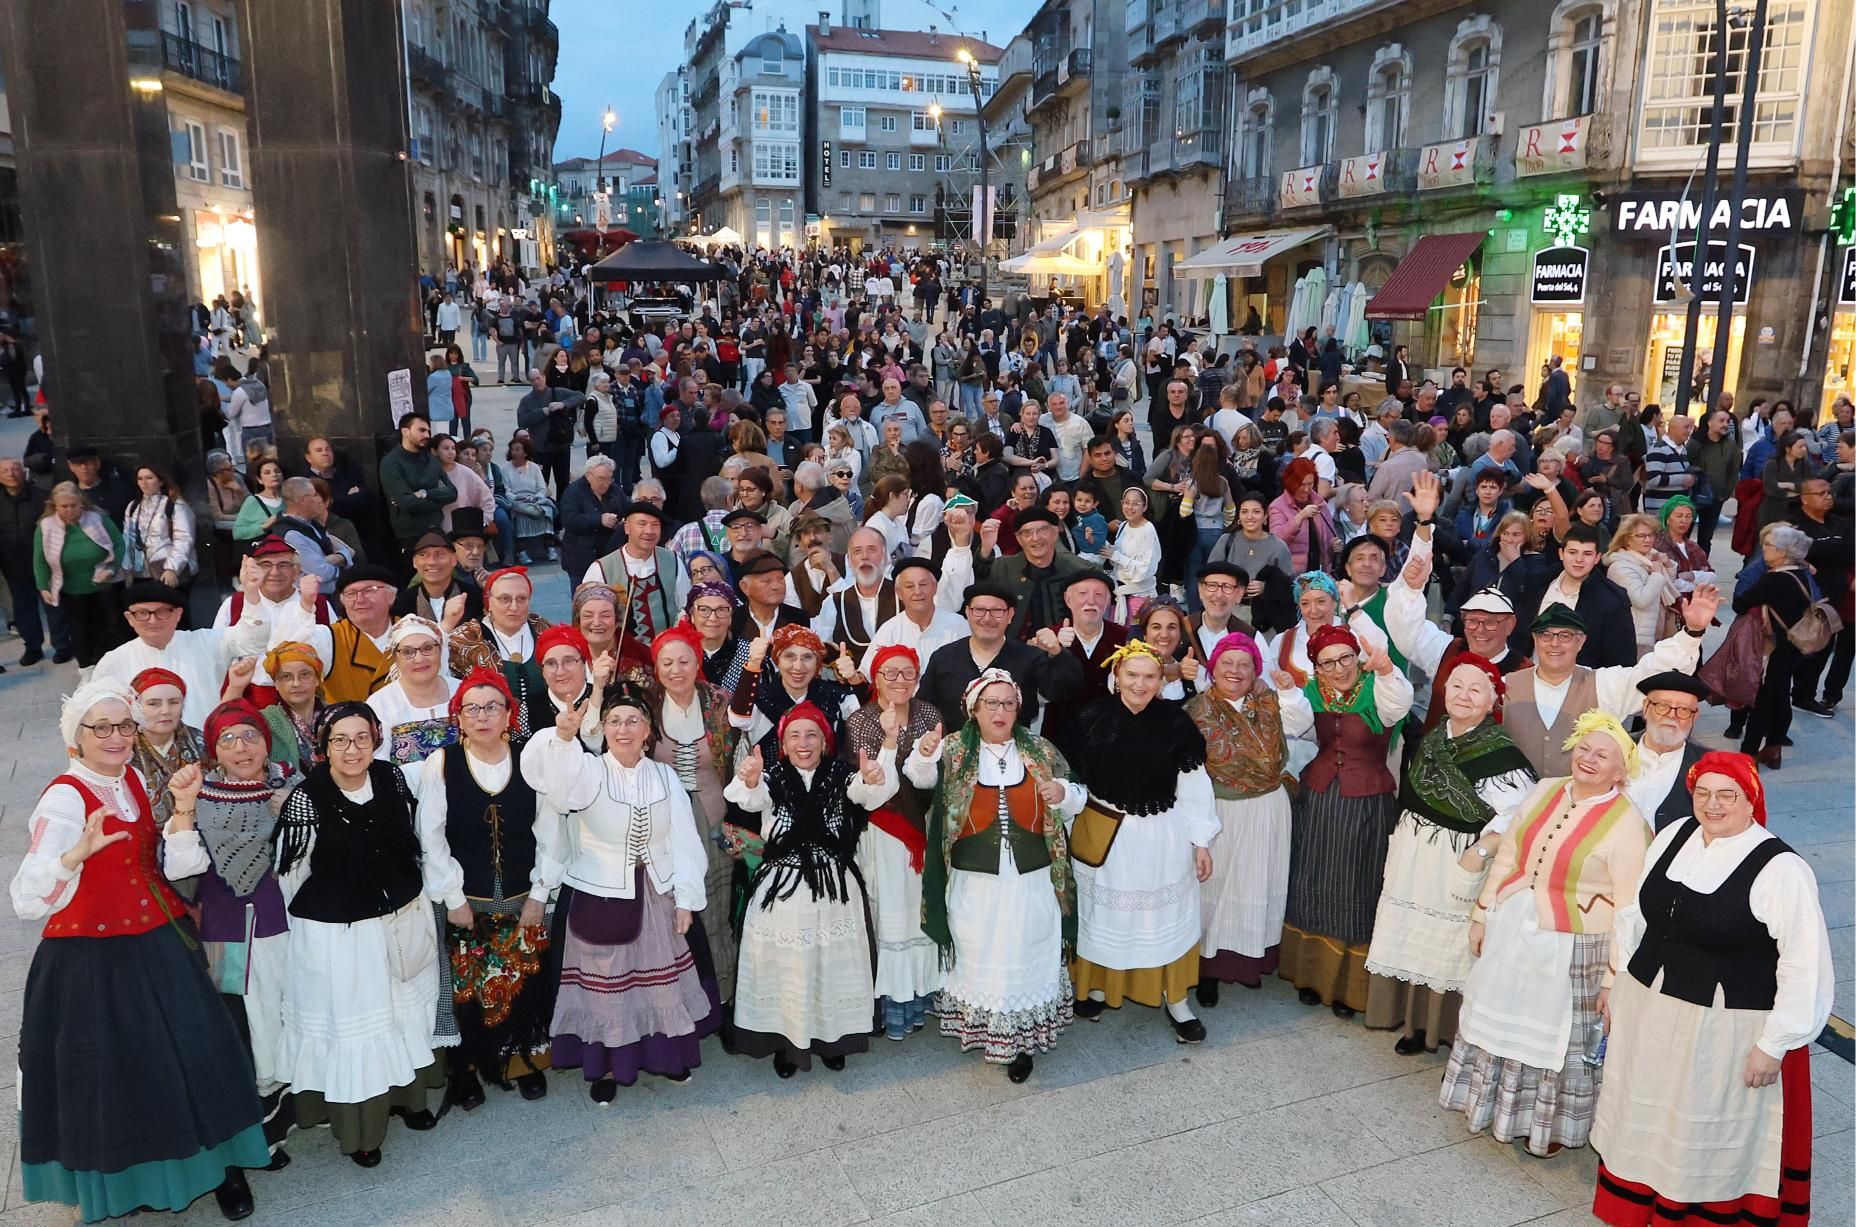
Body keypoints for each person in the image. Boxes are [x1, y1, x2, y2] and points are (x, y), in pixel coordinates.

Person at [10, 680, 269, 1222]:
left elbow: (177, 868)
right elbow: (26, 898)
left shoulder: (128, 778)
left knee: (201, 1055)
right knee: (115, 1077)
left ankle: (223, 1169)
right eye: (100, 727)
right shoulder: (64, 797)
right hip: (90, 958)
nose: (116, 736)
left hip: (160, 940)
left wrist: (181, 810)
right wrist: (72, 856)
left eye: (124, 725)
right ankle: (127, 1185)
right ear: (75, 739)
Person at [1591, 751, 1833, 1227]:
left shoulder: (1781, 869)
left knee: (1700, 1125)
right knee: (1648, 1110)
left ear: (1751, 800)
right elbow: (1637, 916)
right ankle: (1638, 1210)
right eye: (1702, 793)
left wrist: (1774, 1044)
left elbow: (1806, 965)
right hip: (1650, 1006)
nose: (1712, 805)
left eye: (1728, 795)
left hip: (1724, 1025)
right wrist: (1616, 981)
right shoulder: (1672, 836)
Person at [1440, 712, 1652, 1159]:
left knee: (1557, 1039)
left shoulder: (1629, 825)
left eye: (1603, 755)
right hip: (1513, 927)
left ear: (1621, 772)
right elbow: (1510, 854)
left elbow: (1630, 910)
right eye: (1584, 749)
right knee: (1498, 1015)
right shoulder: (1544, 789)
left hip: (1572, 943)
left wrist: (1613, 980)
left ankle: (1547, 1126)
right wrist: (1481, 915)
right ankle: (1491, 1105)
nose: (1589, 760)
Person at [272, 701, 443, 1166]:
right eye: (340, 740)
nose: (352, 749)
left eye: (362, 738)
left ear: (376, 739)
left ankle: (408, 1102)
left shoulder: (391, 778)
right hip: (341, 937)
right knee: (359, 1030)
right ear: (323, 747)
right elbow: (292, 875)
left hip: (399, 921)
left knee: (403, 1018)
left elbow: (412, 839)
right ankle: (361, 1132)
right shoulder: (306, 799)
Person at [905, 669, 1083, 1082]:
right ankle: (985, 1032)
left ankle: (1020, 1043)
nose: (999, 711)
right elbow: (921, 778)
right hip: (975, 879)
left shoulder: (1039, 750)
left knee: (1025, 949)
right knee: (981, 950)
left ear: (1018, 709)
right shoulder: (951, 749)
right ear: (974, 710)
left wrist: (1064, 795)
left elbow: (1075, 792)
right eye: (991, 703)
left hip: (1031, 879)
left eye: (1007, 703)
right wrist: (924, 751)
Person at [1364, 655, 1536, 1055]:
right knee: (1413, 933)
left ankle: (1443, 1031)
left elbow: (1520, 815)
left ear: (1493, 699)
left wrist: (1481, 850)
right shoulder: (1435, 735)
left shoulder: (1499, 751)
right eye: (1457, 685)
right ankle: (1412, 1025)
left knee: (1451, 942)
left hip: (1458, 857)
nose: (1463, 695)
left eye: (1476, 689)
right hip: (1414, 853)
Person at [721, 702, 891, 1076]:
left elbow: (865, 794)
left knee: (832, 967)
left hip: (834, 889)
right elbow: (751, 797)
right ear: (782, 742)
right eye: (794, 734)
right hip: (783, 890)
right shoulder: (772, 775)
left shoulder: (843, 774)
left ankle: (833, 1040)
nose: (804, 742)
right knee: (788, 969)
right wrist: (750, 779)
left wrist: (872, 777)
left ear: (825, 741)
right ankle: (787, 1044)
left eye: (812, 734)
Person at [414, 668, 555, 1110]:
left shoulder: (531, 758)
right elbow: (430, 835)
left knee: (522, 978)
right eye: (471, 708)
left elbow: (552, 832)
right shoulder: (443, 763)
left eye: (493, 707)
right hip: (467, 895)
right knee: (468, 986)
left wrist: (539, 893)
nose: (482, 716)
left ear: (510, 714)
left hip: (522, 891)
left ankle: (521, 1059)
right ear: (458, 718)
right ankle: (468, 1068)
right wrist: (453, 899)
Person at [1063, 641, 1218, 1040]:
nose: (1140, 683)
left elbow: (1194, 785)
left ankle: (1176, 1000)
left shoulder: (1175, 722)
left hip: (1162, 835)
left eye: (1149, 676)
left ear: (1160, 679)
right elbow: (1072, 781)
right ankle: (1099, 986)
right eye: (1131, 675)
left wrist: (1201, 841)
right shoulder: (1091, 717)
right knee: (1106, 916)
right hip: (1106, 834)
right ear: (1116, 677)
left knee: (1162, 917)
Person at [172, 700, 297, 1163]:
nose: (241, 747)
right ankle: (264, 1131)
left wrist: (295, 815)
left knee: (294, 1015)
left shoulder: (295, 786)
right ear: (213, 750)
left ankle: (306, 1105)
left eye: (250, 736)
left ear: (268, 743)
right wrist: (183, 815)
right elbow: (180, 868)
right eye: (228, 739)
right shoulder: (199, 798)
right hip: (234, 933)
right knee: (253, 1028)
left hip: (294, 924)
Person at [1270, 624, 1413, 1016]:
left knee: (1356, 883)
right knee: (1312, 878)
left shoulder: (1378, 689)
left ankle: (1348, 985)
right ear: (1317, 666)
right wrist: (1286, 691)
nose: (1338, 668)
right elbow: (1294, 726)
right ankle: (1311, 976)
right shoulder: (1312, 693)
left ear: (1357, 657)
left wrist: (1385, 670)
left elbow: (1398, 707)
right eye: (1327, 662)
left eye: (1345, 658)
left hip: (1366, 800)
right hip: (1317, 798)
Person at [841, 644, 946, 1040]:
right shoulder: (861, 721)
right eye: (890, 673)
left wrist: (924, 758)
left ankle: (922, 996)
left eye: (908, 673)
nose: (900, 681)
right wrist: (892, 746)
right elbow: (871, 789)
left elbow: (932, 780)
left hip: (924, 824)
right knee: (890, 912)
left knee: (918, 910)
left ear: (917, 678)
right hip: (884, 831)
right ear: (876, 678)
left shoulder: (930, 714)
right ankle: (892, 1007)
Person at [1184, 633, 1293, 1002]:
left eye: (1244, 664)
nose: (1235, 671)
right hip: (1220, 809)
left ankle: (1249, 959)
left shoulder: (1269, 701)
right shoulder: (1195, 711)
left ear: (1255, 671)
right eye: (1227, 663)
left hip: (1268, 807)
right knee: (1215, 887)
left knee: (1257, 883)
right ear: (1212, 668)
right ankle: (1208, 968)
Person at [95, 572, 270, 728]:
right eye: (142, 613)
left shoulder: (206, 642)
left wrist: (252, 593)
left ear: (178, 614)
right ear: (129, 618)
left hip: (207, 747)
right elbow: (99, 714)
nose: (152, 620)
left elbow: (253, 640)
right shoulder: (114, 662)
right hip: (145, 757)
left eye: (162, 612)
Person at [918, 582, 1083, 732]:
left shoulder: (1029, 657)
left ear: (1010, 615)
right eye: (979, 610)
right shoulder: (943, 657)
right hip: (955, 756)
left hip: (1014, 753)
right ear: (968, 612)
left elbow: (1063, 691)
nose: (987, 619)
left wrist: (1056, 653)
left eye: (997, 611)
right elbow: (923, 709)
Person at [1732, 524, 1816, 769]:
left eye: (1768, 545)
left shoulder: (1775, 579)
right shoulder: (1801, 575)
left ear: (1783, 552)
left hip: (1773, 647)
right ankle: (1774, 749)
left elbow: (1740, 603)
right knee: (1780, 695)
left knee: (1762, 700)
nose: (1764, 549)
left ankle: (1748, 755)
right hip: (1793, 646)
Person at [34, 480, 124, 668]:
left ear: (81, 503)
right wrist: (43, 587)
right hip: (71, 587)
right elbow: (40, 558)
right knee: (79, 629)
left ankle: (115, 664)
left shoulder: (98, 518)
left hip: (104, 582)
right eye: (63, 506)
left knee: (111, 625)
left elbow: (118, 543)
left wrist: (111, 568)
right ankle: (86, 667)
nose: (69, 510)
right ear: (55, 506)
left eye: (73, 506)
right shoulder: (45, 526)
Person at [378, 412, 457, 563]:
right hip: (410, 534)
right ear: (405, 431)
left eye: (428, 431)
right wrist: (437, 499)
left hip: (435, 528)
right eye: (421, 430)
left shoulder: (431, 460)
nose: (427, 435)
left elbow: (452, 493)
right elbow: (407, 503)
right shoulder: (391, 463)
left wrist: (424, 493)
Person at [1605, 515, 1681, 658]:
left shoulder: (1649, 560)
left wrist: (1668, 565)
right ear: (1627, 539)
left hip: (1652, 632)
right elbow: (1641, 600)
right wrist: (1657, 574)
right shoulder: (1621, 567)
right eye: (1640, 536)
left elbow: (1664, 587)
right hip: (1634, 637)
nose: (1647, 540)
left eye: (1650, 535)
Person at [124, 464, 198, 589]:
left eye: (149, 478)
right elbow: (128, 539)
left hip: (167, 568)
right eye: (140, 479)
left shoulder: (175, 505)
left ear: (161, 481)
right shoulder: (133, 506)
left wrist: (172, 568)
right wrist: (127, 568)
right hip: (140, 571)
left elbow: (184, 539)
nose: (144, 483)